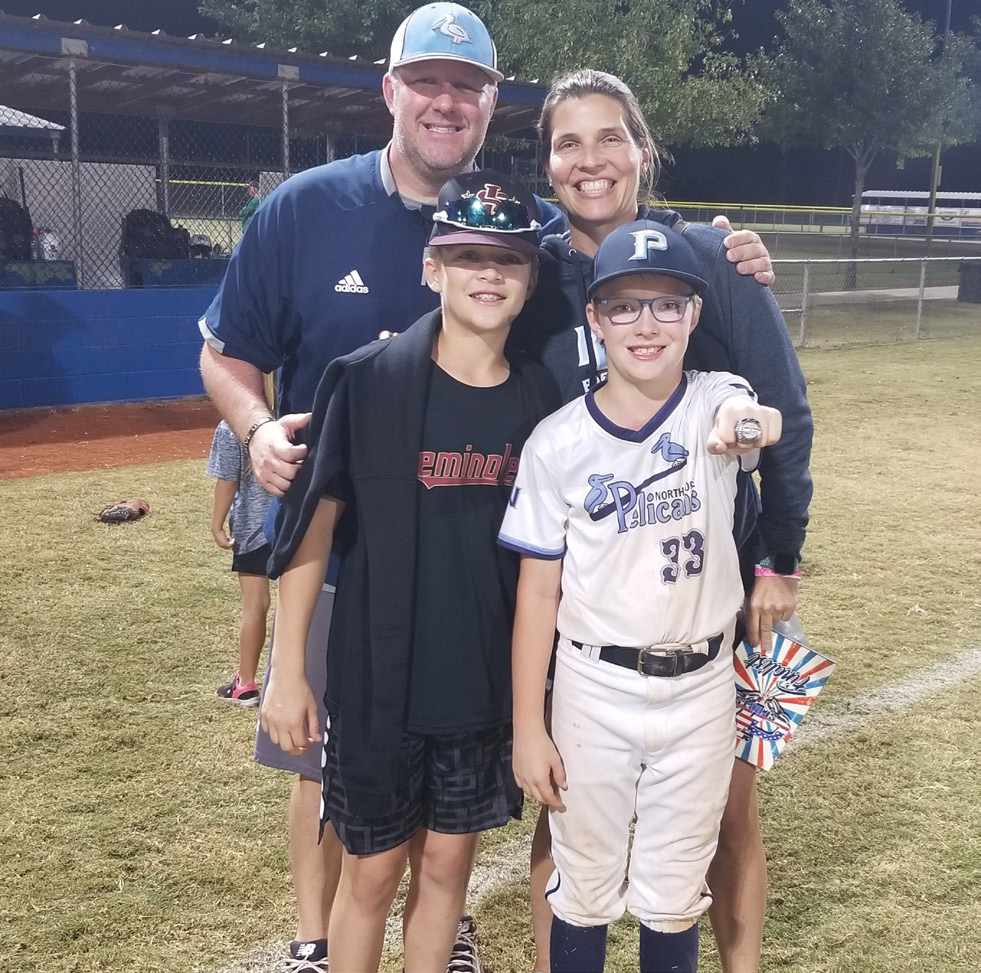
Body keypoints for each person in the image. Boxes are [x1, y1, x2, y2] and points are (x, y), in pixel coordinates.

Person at [198, 4, 771, 965]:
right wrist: (254, 434)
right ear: (389, 90)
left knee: (449, 859)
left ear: (488, 103)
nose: (444, 100)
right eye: (425, 80)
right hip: (358, 578)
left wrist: (712, 248)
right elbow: (228, 359)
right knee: (344, 812)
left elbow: (616, 246)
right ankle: (313, 940)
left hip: (476, 622)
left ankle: (445, 938)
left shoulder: (534, 315)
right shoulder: (312, 224)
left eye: (466, 86)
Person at [510, 68, 813, 973]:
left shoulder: (713, 262)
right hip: (584, 591)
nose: (591, 159)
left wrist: (778, 562)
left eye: (612, 138)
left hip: (712, 593)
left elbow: (777, 419)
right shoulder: (532, 269)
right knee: (566, 815)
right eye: (569, 142)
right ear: (548, 162)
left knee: (725, 812)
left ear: (643, 151)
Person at [262, 170, 560, 973]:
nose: (487, 273)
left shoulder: (539, 400)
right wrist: (287, 672)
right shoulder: (367, 381)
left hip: (477, 684)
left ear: (531, 280)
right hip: (378, 681)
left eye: (507, 259)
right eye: (466, 256)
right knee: (370, 873)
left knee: (445, 870)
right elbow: (309, 535)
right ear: (432, 268)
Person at [206, 412, 274, 706]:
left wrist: (216, 524)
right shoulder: (296, 412)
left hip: (254, 525)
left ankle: (245, 683)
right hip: (299, 524)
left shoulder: (233, 424)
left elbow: (227, 479)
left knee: (255, 604)